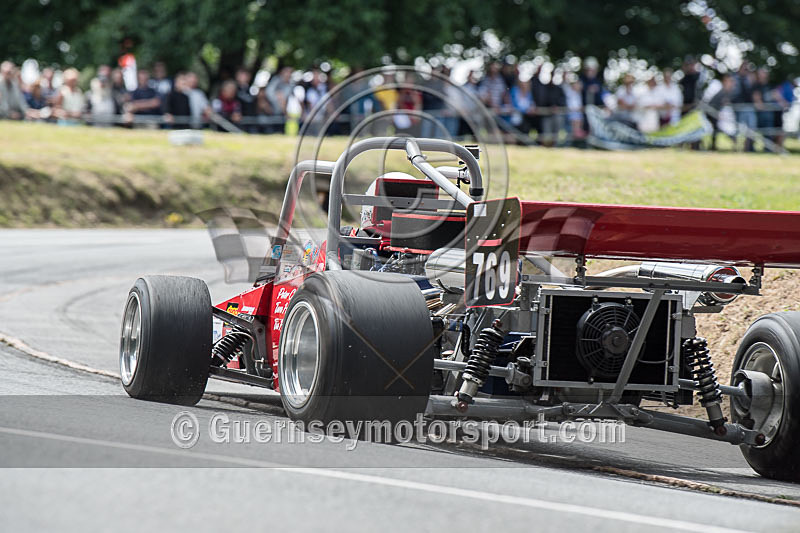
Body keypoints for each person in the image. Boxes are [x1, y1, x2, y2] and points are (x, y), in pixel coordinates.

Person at [707, 74, 737, 150]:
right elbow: (712, 106)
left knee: (731, 129)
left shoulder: (730, 93)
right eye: (730, 81)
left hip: (724, 117)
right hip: (716, 117)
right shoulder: (720, 93)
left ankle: (735, 146)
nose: (731, 84)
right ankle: (713, 146)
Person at [733, 62, 757, 151]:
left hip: (749, 106)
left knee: (751, 128)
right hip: (738, 107)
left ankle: (747, 148)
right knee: (737, 129)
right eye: (744, 68)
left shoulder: (749, 79)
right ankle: (736, 148)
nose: (745, 71)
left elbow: (752, 92)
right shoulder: (734, 78)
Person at [562, 75, 585, 141]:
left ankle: (578, 131)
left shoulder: (578, 94)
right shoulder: (569, 91)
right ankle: (576, 132)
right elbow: (564, 85)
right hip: (570, 111)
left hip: (577, 111)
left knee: (579, 117)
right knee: (575, 117)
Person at [234, 67, 257, 132]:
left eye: (245, 75)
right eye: (241, 75)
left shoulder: (251, 90)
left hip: (250, 119)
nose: (243, 77)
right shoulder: (234, 89)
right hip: (238, 119)